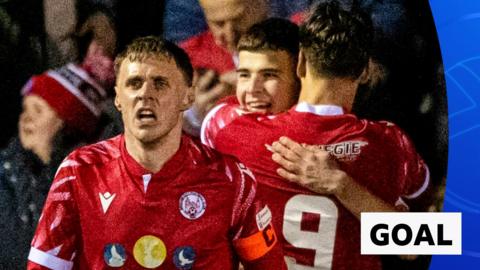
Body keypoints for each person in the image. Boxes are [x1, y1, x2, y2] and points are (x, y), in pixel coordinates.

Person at [201, 3, 430, 269]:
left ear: (300, 64)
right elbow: (421, 243)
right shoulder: (390, 143)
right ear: (365, 71)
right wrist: (343, 185)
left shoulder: (229, 129)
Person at [27, 36, 284, 270]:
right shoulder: (80, 171)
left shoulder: (232, 179)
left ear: (187, 97)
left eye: (160, 83)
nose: (145, 94)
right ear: (117, 98)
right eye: (134, 83)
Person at [0, 14, 115, 268]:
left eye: (39, 111)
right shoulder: (6, 169)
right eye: (26, 109)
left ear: (67, 125)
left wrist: (50, 160)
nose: (26, 119)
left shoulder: (89, 179)